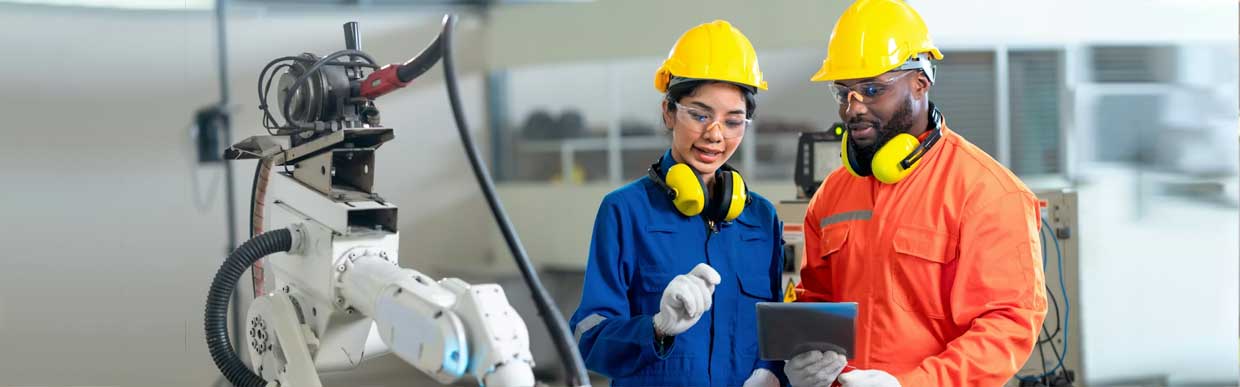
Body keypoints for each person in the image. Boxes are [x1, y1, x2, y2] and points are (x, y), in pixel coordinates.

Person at [785, 1, 1048, 386]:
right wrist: (802, 357)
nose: (853, 109)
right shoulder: (833, 195)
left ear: (920, 83)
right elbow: (816, 302)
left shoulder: (988, 192)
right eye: (843, 93)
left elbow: (1007, 325)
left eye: (872, 89)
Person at [568, 20, 787, 387]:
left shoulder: (761, 218)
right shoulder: (625, 212)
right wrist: (656, 328)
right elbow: (587, 338)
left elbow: (780, 328)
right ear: (669, 112)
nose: (715, 135)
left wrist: (776, 372)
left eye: (733, 121)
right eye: (700, 115)